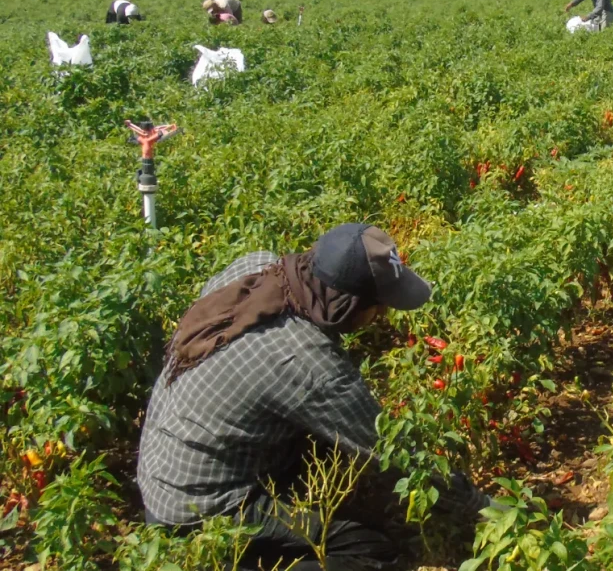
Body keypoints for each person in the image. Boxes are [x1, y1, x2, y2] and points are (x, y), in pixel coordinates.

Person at [137, 223, 494, 571]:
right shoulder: (307, 364)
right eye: (378, 306)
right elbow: (395, 453)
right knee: (365, 551)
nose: (382, 316)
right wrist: (489, 510)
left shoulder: (254, 267)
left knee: (329, 456)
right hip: (194, 510)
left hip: (160, 464)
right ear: (347, 306)